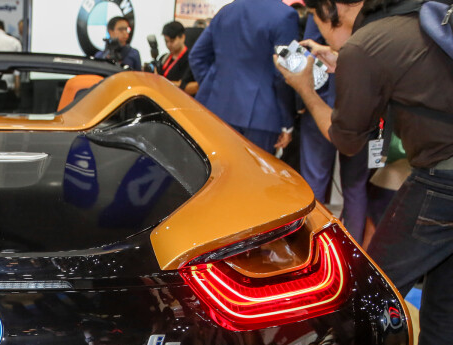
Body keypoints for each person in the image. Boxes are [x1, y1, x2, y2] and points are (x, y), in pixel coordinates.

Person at [276, 0, 453, 345]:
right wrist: (345, 62)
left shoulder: (370, 45)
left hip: (443, 182)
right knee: (444, 318)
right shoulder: (421, 21)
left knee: (367, 296)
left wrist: (305, 89)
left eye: (316, 19)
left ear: (334, 11)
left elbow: (345, 139)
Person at [297, 14, 371, 242]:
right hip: (363, 105)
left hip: (320, 104)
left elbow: (307, 58)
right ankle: (353, 249)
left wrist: (301, 102)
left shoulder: (322, 9)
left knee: (314, 181)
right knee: (355, 186)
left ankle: (312, 245)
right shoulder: (374, 12)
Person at [189, 0, 300, 154]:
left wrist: (216, 87)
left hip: (217, 110)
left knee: (219, 173)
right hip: (262, 116)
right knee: (255, 175)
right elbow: (285, 73)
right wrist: (287, 121)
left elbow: (197, 56)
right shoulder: (285, 15)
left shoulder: (226, 11)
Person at [157, 21, 197, 95]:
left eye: (172, 41)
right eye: (166, 41)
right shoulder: (164, 58)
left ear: (182, 37)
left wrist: (165, 84)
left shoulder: (191, 59)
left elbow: (194, 86)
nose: (168, 45)